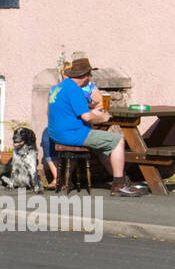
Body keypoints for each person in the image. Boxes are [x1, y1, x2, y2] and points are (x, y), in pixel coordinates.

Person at [46, 57, 144, 196]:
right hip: (73, 134)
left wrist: (92, 112)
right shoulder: (75, 90)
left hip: (56, 134)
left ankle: (122, 179)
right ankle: (119, 185)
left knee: (102, 146)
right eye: (89, 75)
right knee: (117, 140)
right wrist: (103, 117)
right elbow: (87, 117)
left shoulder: (58, 87)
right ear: (86, 77)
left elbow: (58, 111)